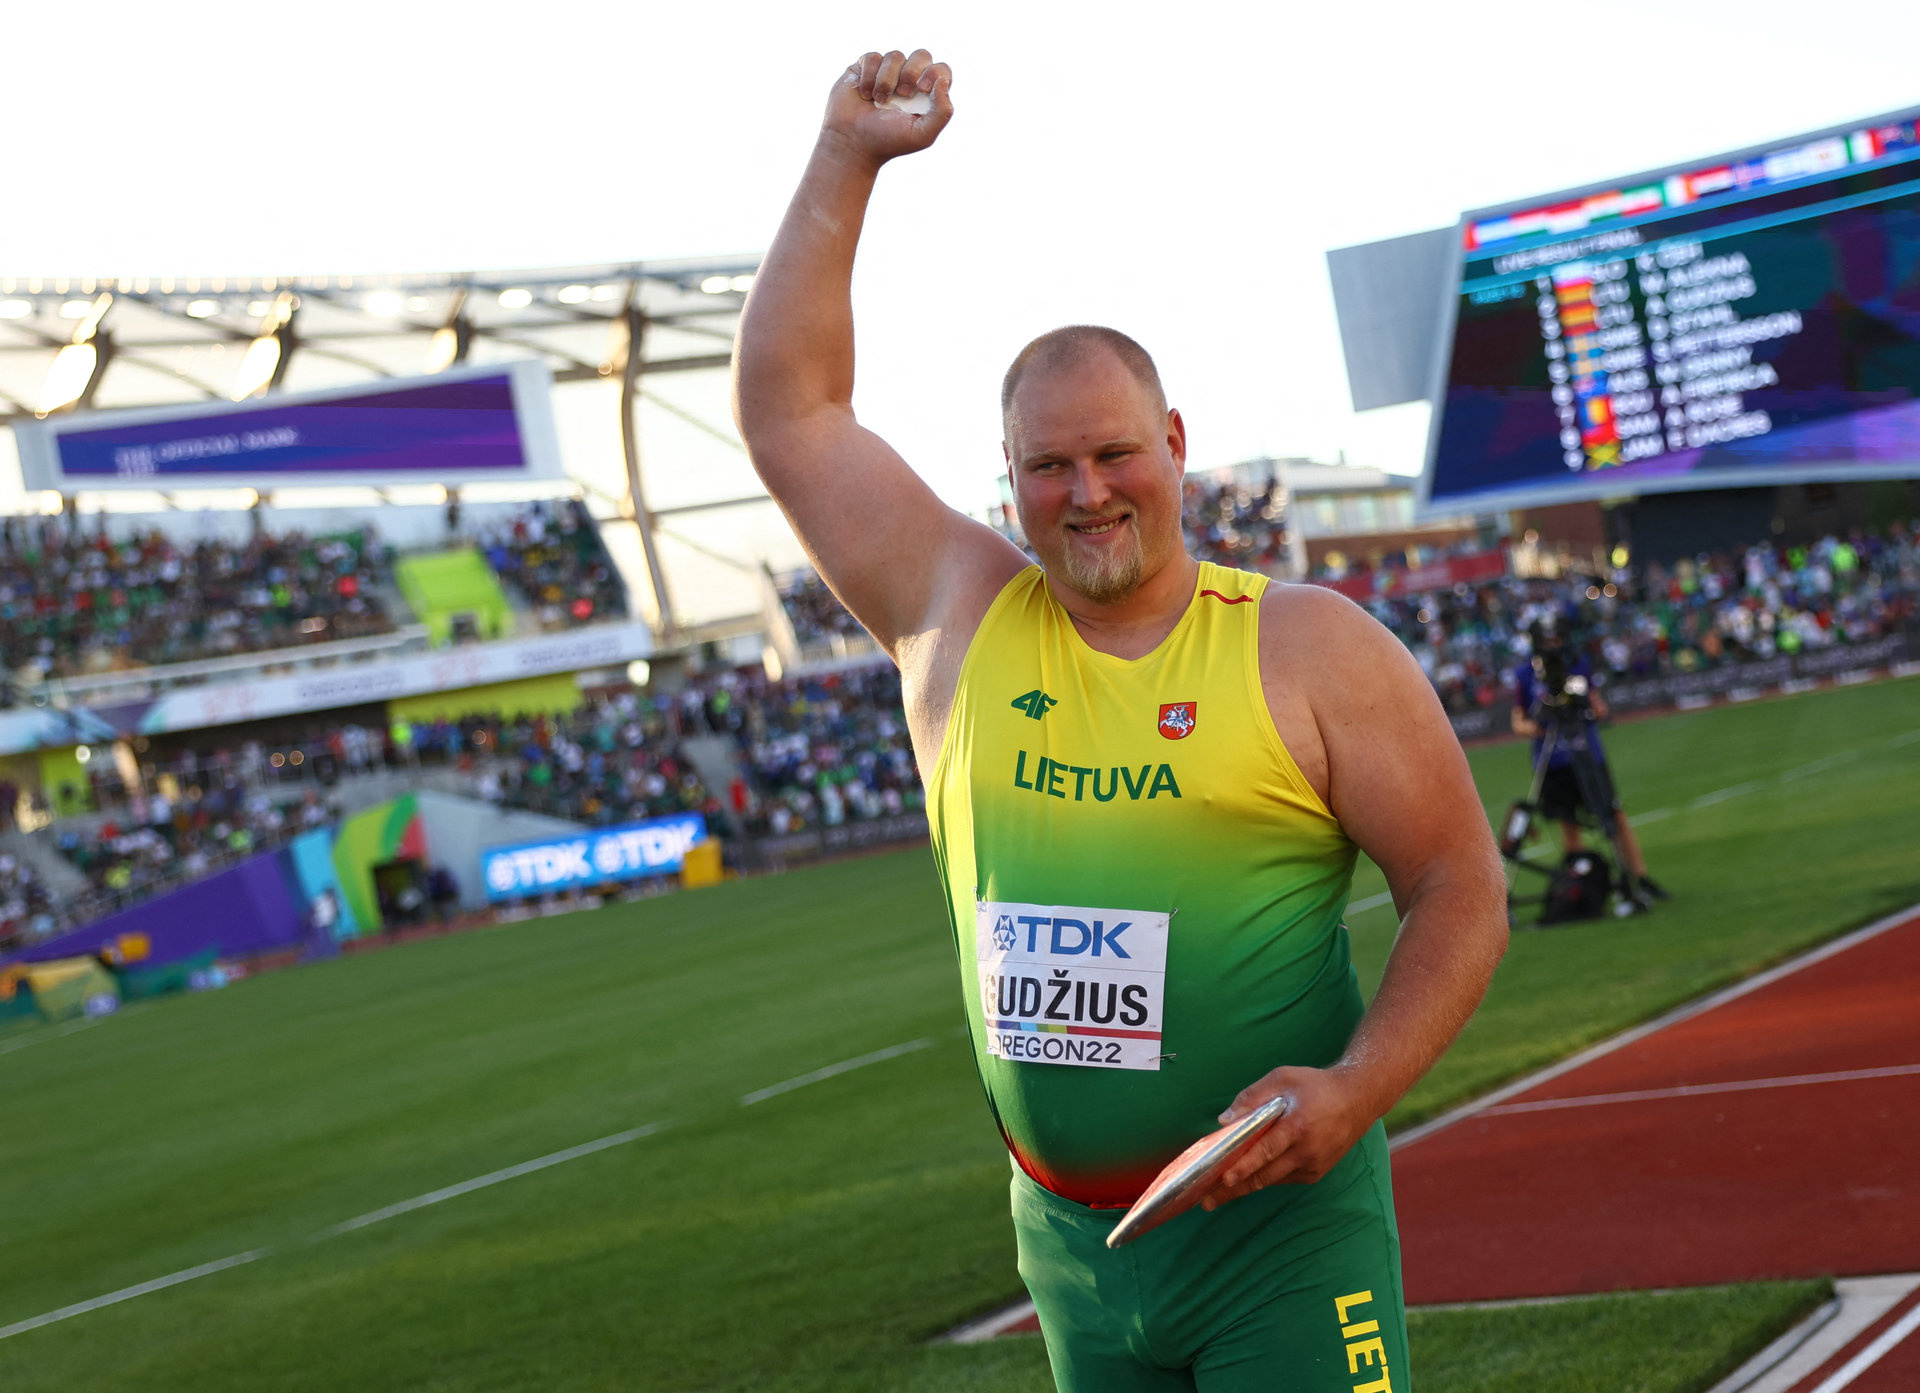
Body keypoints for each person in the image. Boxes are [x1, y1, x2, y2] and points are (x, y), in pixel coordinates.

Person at [733, 49, 1509, 1393]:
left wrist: (1356, 1090)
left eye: (1113, 453)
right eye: (1049, 465)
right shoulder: (954, 615)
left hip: (1280, 1235)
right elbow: (791, 411)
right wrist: (845, 159)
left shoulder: (1308, 644)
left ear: (1175, 445)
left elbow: (1460, 885)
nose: (1086, 492)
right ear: (1010, 478)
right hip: (1073, 1250)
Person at [1509, 618, 1666, 905]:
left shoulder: (1578, 665)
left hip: (1586, 753)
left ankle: (1638, 877)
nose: (1553, 646)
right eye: (1547, 640)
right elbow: (1519, 721)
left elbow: (1598, 706)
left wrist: (1583, 710)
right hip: (1553, 761)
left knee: (1613, 814)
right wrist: (1544, 722)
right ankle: (1578, 886)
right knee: (1568, 823)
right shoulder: (1526, 673)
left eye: (1557, 639)